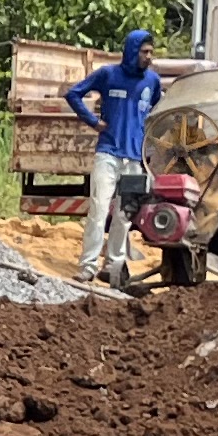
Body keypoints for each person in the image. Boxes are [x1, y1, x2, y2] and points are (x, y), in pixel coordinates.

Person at [65, 28, 166, 289]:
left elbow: (159, 111)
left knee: (124, 216)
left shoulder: (152, 81)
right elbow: (73, 94)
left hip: (135, 159)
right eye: (144, 52)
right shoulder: (108, 75)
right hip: (108, 154)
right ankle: (88, 266)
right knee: (98, 210)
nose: (149, 57)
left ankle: (114, 267)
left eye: (151, 52)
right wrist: (93, 122)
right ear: (132, 51)